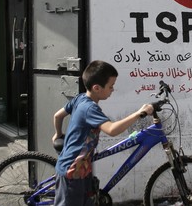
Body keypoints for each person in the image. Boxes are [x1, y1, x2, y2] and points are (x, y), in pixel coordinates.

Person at [52, 60, 153, 206]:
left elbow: (57, 116)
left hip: (82, 169)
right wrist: (139, 113)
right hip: (72, 172)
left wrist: (57, 134)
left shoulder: (80, 98)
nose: (113, 90)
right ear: (97, 88)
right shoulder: (89, 108)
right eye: (111, 87)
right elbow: (112, 130)